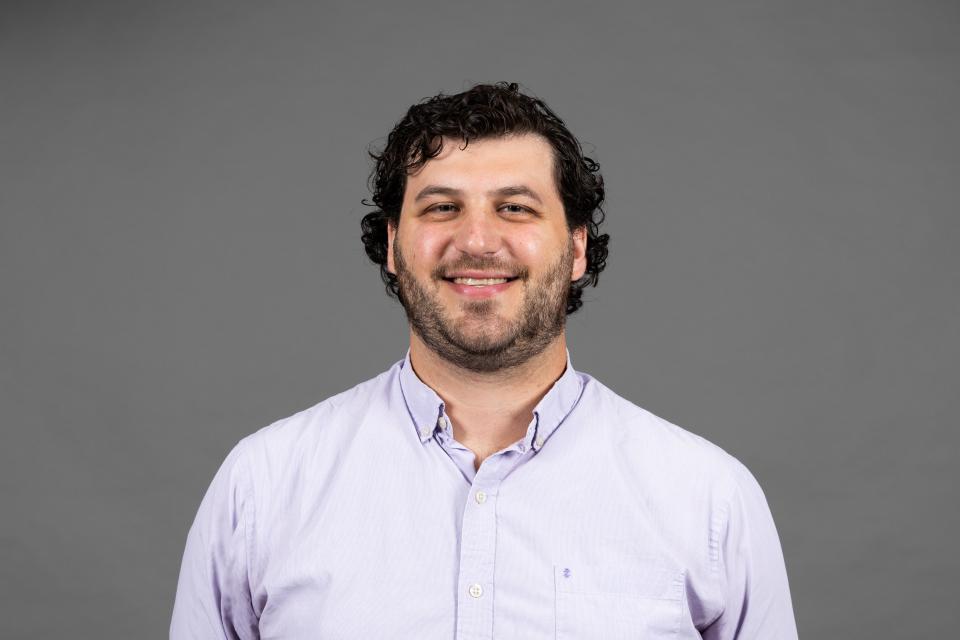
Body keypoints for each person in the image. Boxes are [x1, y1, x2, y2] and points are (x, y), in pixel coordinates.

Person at [170, 82, 798, 639]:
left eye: (516, 207)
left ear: (577, 247)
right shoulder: (261, 487)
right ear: (392, 243)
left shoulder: (711, 500)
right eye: (442, 207)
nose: (476, 240)